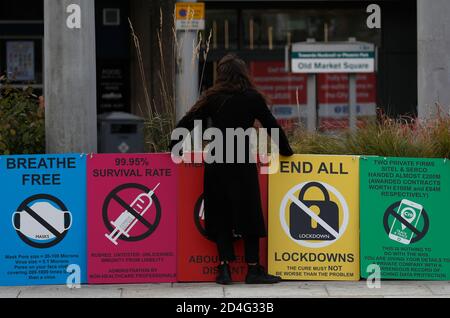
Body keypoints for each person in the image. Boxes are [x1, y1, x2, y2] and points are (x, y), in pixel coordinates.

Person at [170, 54, 293, 285]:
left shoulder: (212, 97)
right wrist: (286, 150)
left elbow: (188, 121)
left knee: (220, 213)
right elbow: (271, 126)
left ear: (221, 75)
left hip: (217, 161)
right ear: (243, 73)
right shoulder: (252, 98)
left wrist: (174, 146)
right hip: (242, 161)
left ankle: (224, 270)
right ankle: (253, 270)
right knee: (249, 213)